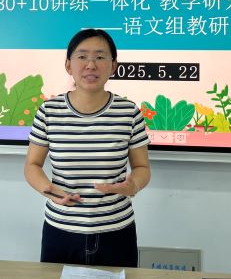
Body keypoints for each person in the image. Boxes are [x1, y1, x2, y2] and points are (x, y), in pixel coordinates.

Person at [24, 28, 151, 268]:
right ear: (68, 65)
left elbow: (142, 167)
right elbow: (32, 165)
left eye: (100, 57)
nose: (91, 65)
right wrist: (50, 191)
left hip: (116, 231)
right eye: (82, 56)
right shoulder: (49, 111)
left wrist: (133, 185)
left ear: (113, 66)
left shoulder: (129, 112)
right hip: (61, 230)